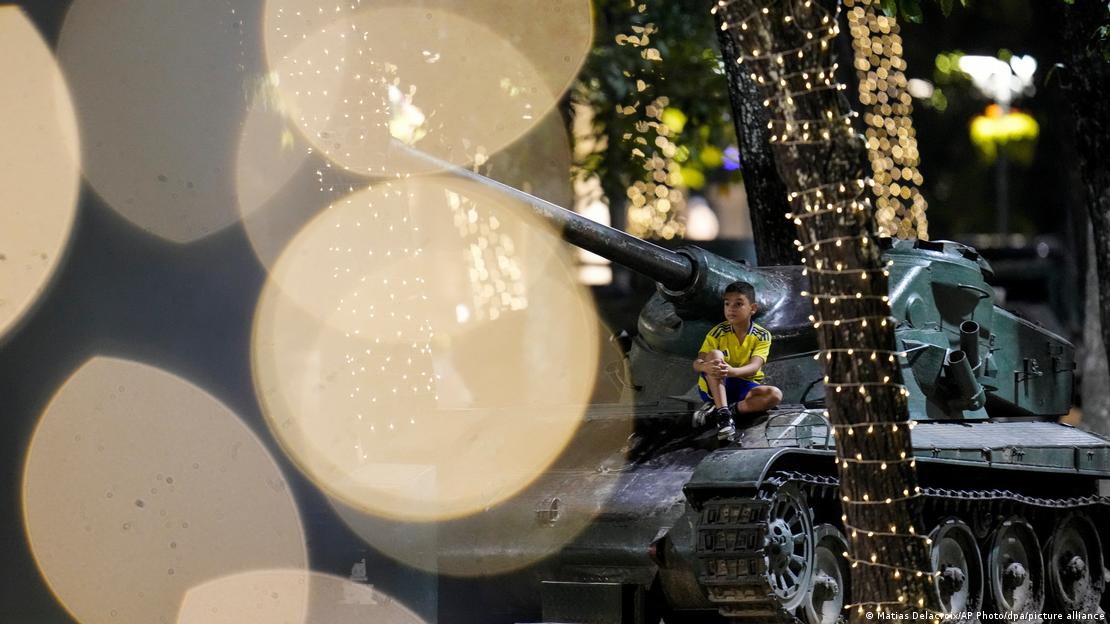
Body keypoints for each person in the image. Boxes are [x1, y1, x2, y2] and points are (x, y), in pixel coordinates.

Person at [692, 281, 783, 440]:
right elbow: (697, 364)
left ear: (752, 308)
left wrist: (732, 371)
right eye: (727, 304)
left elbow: (754, 367)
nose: (731, 309)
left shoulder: (762, 335)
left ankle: (728, 410)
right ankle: (723, 416)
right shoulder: (718, 332)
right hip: (716, 383)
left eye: (738, 304)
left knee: (774, 395)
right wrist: (706, 367)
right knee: (714, 354)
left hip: (743, 385)